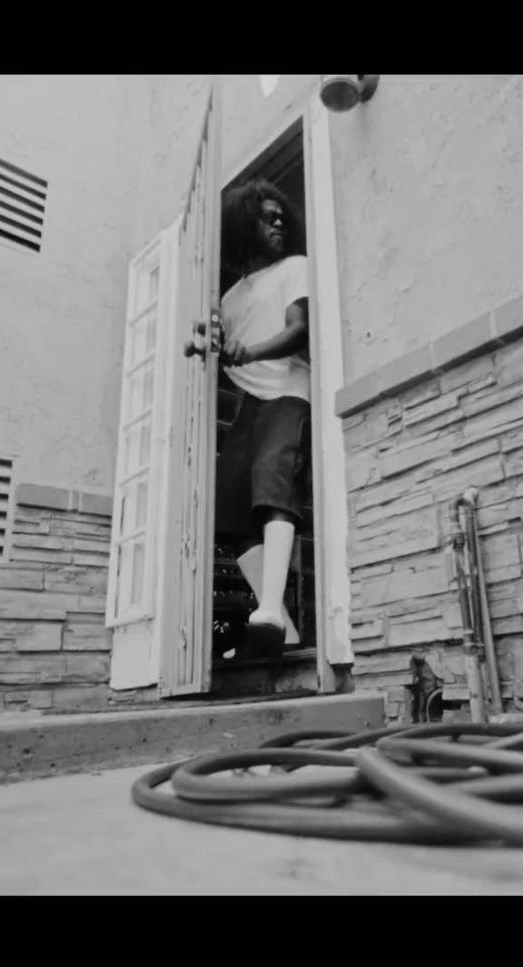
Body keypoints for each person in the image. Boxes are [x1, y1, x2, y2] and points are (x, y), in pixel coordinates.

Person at [214, 179, 312, 658]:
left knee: (273, 482)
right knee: (228, 510)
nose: (278, 222)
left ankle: (270, 608)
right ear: (241, 226)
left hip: (290, 393)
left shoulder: (295, 267)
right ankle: (285, 631)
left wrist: (247, 351)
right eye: (265, 216)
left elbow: (298, 332)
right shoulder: (229, 300)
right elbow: (225, 353)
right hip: (251, 403)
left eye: (281, 216)